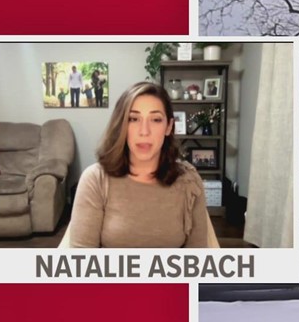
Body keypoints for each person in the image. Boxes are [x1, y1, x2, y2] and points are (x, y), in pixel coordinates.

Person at [69, 81, 210, 248]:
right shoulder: (95, 179)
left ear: (169, 127)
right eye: (133, 119)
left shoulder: (189, 182)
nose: (144, 131)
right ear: (122, 125)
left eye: (156, 120)